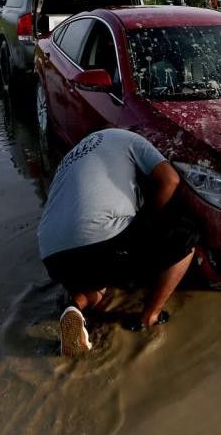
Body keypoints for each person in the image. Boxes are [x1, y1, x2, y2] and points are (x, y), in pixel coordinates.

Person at [38, 128, 197, 356]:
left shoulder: (74, 154)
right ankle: (150, 316)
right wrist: (151, 224)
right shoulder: (130, 138)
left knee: (97, 281)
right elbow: (170, 180)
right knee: (187, 233)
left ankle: (74, 309)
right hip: (101, 242)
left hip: (53, 257)